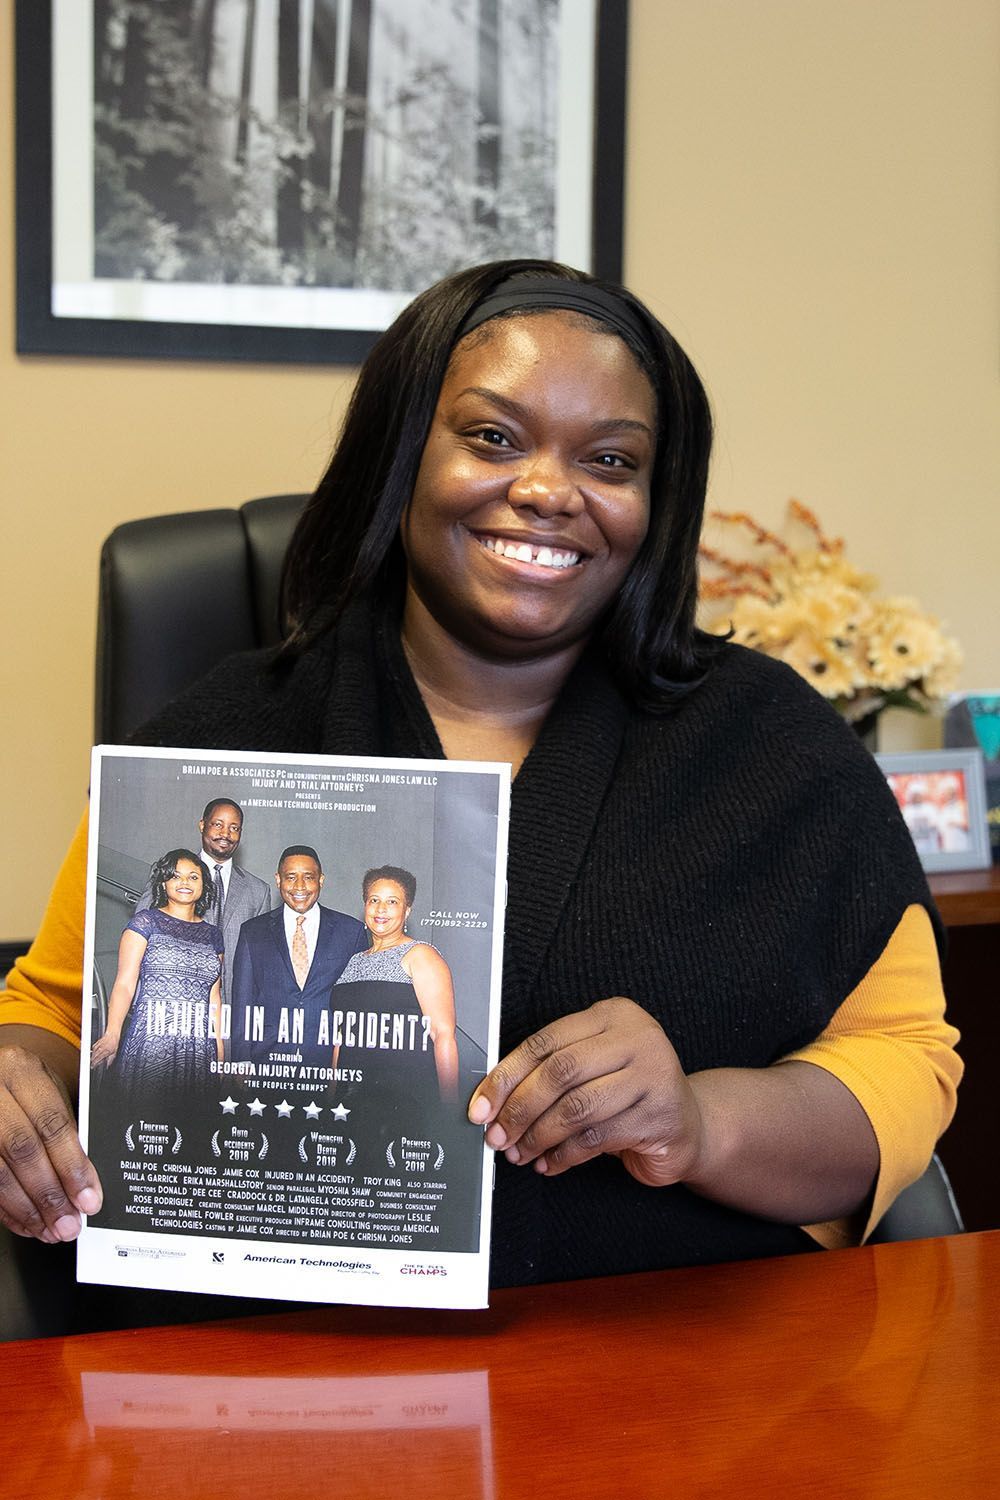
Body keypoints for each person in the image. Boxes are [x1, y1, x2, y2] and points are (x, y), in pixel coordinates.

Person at [0, 259, 960, 1287]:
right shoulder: (222, 730)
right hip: (264, 1368)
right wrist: (21, 1087)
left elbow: (903, 1060)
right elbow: (55, 1013)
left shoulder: (776, 751)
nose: (548, 491)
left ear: (655, 500)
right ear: (401, 454)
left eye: (611, 460)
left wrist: (700, 1119)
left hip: (671, 1370)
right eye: (492, 437)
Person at [90, 849, 224, 1103]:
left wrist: (219, 1054)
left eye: (193, 877)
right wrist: (112, 1034)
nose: (185, 883)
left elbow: (214, 999)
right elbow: (125, 984)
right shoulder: (145, 923)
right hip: (151, 1041)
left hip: (198, 1047)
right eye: (176, 876)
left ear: (204, 884)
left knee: (195, 1130)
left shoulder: (213, 935)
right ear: (164, 883)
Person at [229, 846, 366, 1076]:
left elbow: (359, 1009)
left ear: (321, 880)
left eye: (308, 877)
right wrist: (241, 1063)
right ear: (278, 880)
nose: (300, 886)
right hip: (266, 1066)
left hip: (329, 1068)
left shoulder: (351, 932)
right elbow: (243, 1004)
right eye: (291, 877)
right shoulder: (252, 932)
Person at [334, 866, 459, 1107]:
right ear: (365, 906)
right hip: (350, 1099)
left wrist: (449, 1112)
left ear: (407, 910)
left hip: (406, 1098)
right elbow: (341, 1039)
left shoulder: (421, 955)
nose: (381, 909)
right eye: (374, 900)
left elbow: (443, 1036)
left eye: (392, 901)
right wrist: (331, 1098)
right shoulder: (353, 961)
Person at [135, 798, 271, 1003]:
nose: (225, 834)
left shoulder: (258, 891)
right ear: (202, 825)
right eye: (218, 824)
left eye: (234, 828)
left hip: (232, 1009)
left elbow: (261, 962)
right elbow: (139, 938)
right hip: (174, 999)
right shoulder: (168, 874)